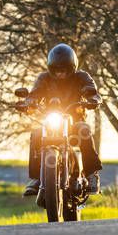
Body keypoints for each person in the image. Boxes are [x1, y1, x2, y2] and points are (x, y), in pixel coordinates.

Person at [20, 43, 103, 197]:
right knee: (37, 133)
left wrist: (93, 98)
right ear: (51, 68)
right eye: (57, 70)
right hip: (50, 122)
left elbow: (93, 92)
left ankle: (92, 174)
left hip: (75, 122)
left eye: (64, 70)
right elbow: (34, 94)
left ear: (72, 67)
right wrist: (28, 103)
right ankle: (36, 178)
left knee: (84, 130)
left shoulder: (81, 77)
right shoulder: (44, 78)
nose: (60, 74)